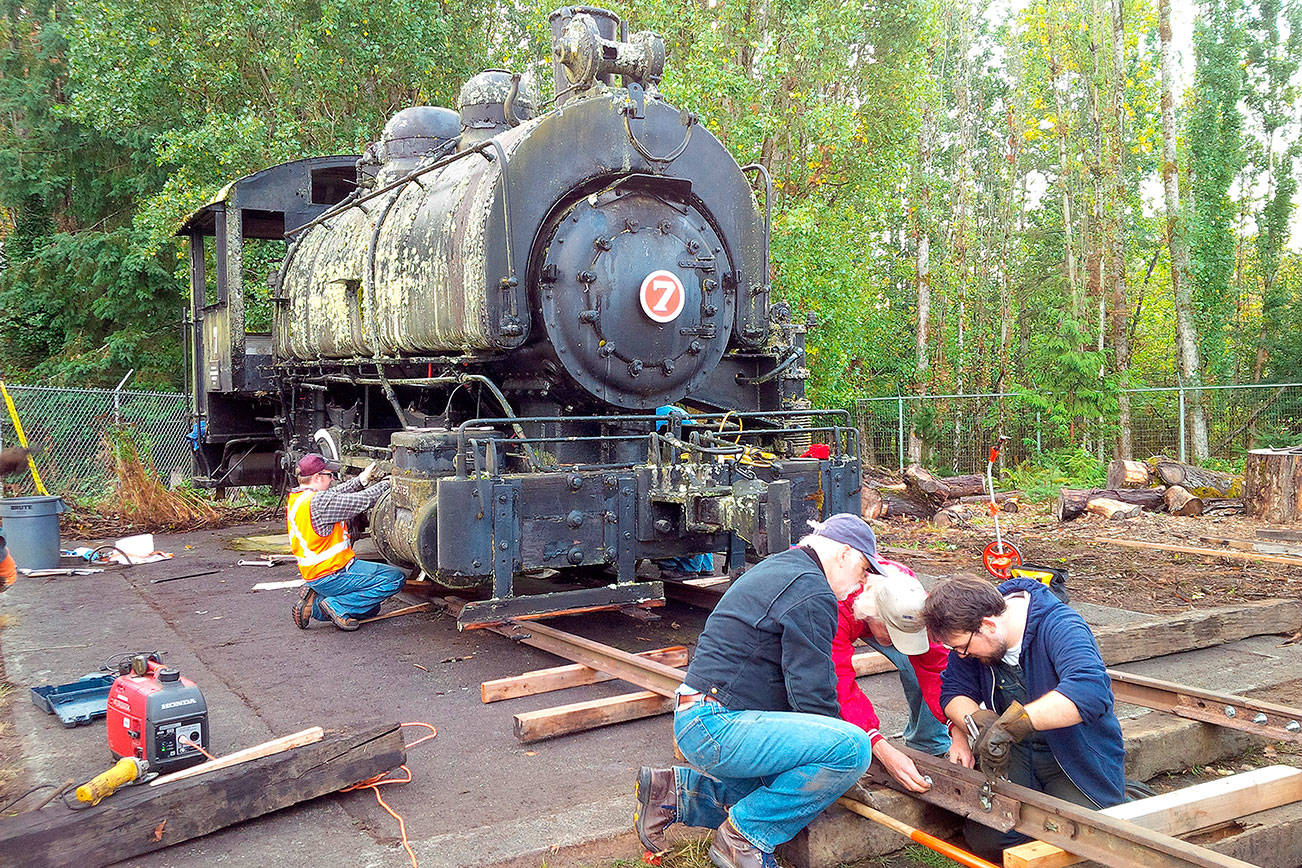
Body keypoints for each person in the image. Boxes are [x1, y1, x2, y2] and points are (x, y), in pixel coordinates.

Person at [633, 513, 898, 868]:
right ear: (845, 554)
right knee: (851, 748)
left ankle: (675, 794)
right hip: (720, 725)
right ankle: (744, 837)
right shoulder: (812, 591)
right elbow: (812, 694)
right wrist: (842, 767)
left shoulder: (783, 568)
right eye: (864, 570)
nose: (860, 583)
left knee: (781, 791)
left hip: (703, 719)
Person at [921, 575, 1126, 860]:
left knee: (1082, 840)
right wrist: (976, 720)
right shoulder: (969, 634)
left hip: (1075, 756)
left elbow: (1089, 691)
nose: (961, 656)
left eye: (962, 648)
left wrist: (1016, 724)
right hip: (1014, 755)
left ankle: (1129, 796)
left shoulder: (1061, 626)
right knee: (988, 842)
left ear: (988, 626)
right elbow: (953, 693)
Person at [831, 560, 950, 792]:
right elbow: (837, 680)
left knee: (917, 668)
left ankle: (927, 748)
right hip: (847, 613)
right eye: (890, 632)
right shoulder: (836, 604)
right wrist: (875, 741)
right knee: (819, 691)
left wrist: (955, 724)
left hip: (885, 616)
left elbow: (937, 666)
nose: (896, 641)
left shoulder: (911, 599)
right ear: (871, 615)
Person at [286, 453, 405, 631]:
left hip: (316, 574)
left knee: (372, 609)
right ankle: (337, 605)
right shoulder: (319, 502)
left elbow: (336, 493)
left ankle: (317, 604)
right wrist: (389, 484)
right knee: (395, 579)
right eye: (329, 475)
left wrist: (361, 479)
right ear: (317, 477)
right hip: (334, 572)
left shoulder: (299, 499)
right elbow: (362, 500)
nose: (332, 479)